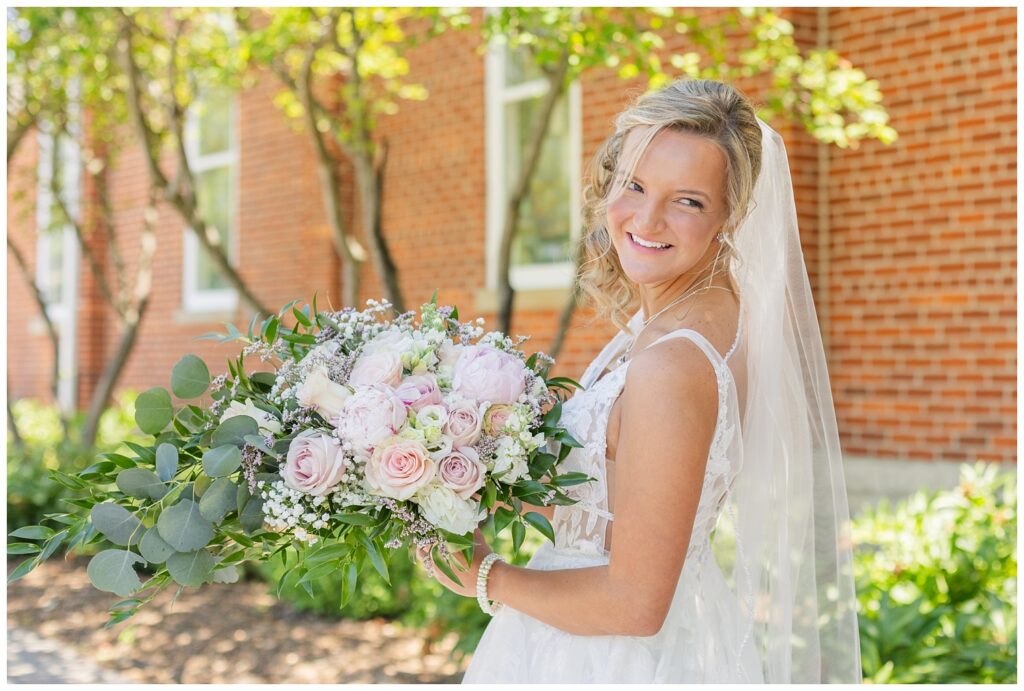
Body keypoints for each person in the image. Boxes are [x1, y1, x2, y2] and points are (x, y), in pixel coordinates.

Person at [422, 78, 861, 684]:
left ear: (731, 214)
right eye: (634, 185)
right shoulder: (698, 318)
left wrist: (484, 575)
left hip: (605, 660)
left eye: (688, 201)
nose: (646, 218)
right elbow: (613, 498)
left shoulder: (673, 362)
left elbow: (635, 604)